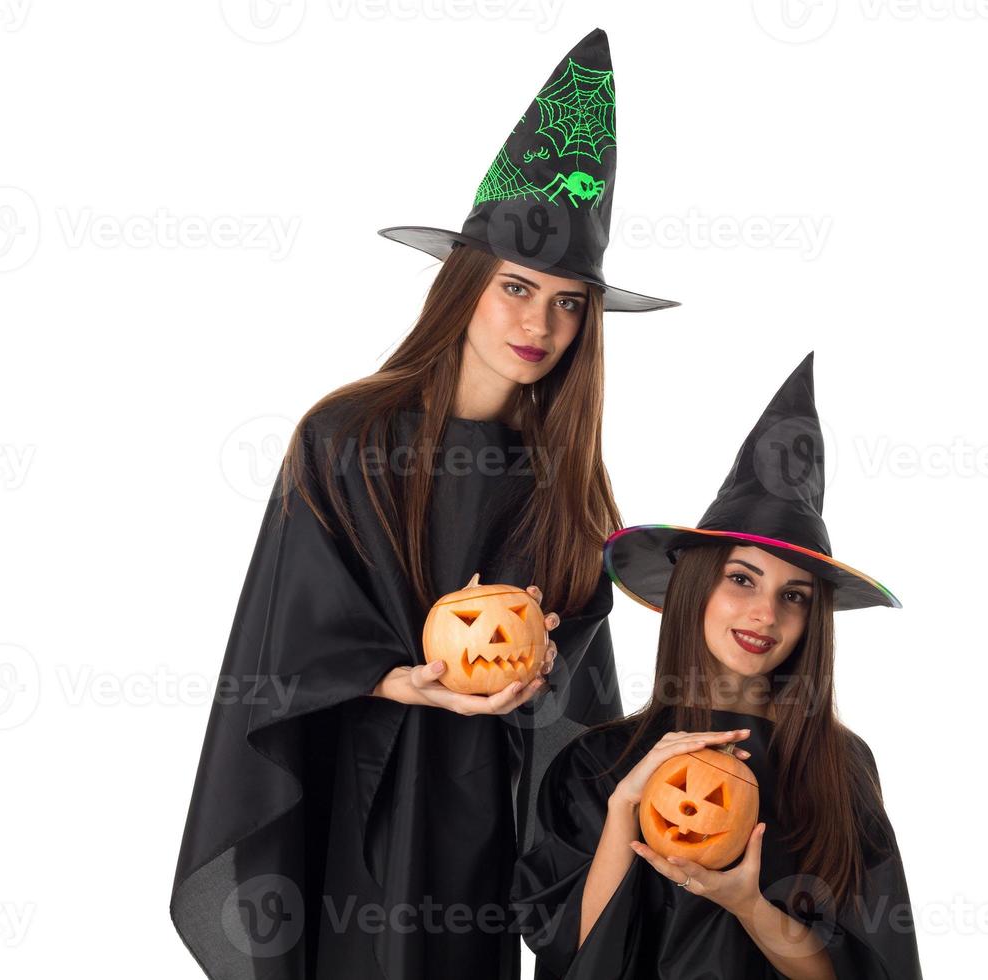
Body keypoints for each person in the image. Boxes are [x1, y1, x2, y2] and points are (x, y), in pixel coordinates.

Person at [170, 28, 679, 980]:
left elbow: (581, 703)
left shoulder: (564, 484)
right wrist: (394, 678)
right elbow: (282, 639)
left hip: (481, 816)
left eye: (570, 303)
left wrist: (558, 675)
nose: (539, 324)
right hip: (359, 798)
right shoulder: (348, 437)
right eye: (517, 288)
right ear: (465, 286)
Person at [512, 353, 924, 979]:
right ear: (696, 587)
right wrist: (625, 806)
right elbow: (570, 952)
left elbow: (863, 971)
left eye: (794, 596)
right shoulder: (597, 766)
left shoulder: (840, 769)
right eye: (742, 579)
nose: (765, 615)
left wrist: (749, 906)